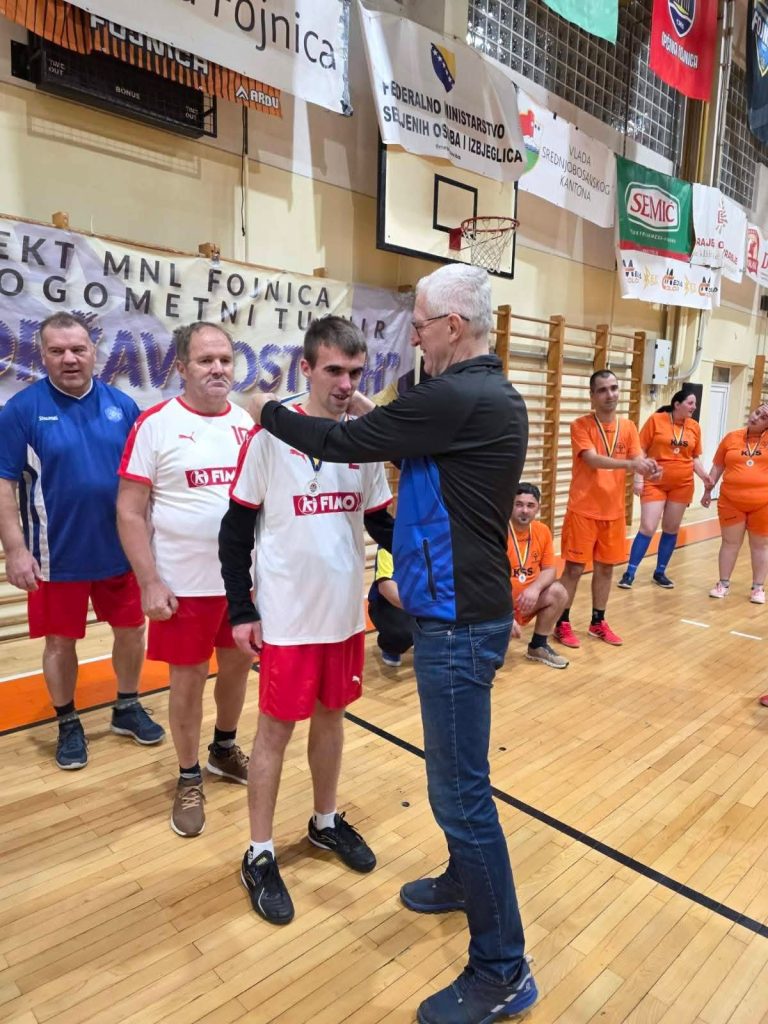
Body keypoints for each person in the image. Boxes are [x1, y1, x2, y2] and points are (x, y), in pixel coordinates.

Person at [245, 265, 538, 1024]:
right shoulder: (483, 395)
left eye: (421, 324)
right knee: (456, 784)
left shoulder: (455, 396)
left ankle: (503, 970)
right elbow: (401, 444)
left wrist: (264, 410)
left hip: (458, 623)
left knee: (461, 795)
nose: (414, 337)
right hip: (459, 612)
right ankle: (462, 880)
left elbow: (344, 441)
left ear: (452, 327)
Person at [219, 316, 393, 926]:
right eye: (334, 371)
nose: (346, 384)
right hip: (287, 619)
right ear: (307, 368)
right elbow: (236, 529)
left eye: (355, 372)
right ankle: (259, 851)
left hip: (343, 616)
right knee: (274, 733)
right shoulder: (270, 436)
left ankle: (323, 821)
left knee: (332, 720)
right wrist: (241, 608)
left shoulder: (364, 439)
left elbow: (381, 522)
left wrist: (431, 564)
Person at [0, 312, 163, 770]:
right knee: (59, 643)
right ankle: (68, 720)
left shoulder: (123, 406)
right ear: (42, 356)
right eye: (57, 351)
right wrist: (15, 550)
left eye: (78, 349)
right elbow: (3, 484)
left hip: (121, 551)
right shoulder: (20, 410)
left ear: (94, 352)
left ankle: (127, 706)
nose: (69, 358)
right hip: (55, 557)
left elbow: (145, 480)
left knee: (132, 631)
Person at [117, 322, 253, 838]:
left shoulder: (246, 423)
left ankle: (223, 749)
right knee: (188, 680)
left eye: (225, 359)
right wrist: (149, 581)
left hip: (241, 584)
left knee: (237, 669)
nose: (218, 369)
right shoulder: (155, 424)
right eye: (205, 360)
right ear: (181, 367)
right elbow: (129, 511)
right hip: (184, 587)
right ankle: (189, 774)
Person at [553, 369, 659, 649]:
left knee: (606, 569)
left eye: (613, 388)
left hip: (613, 512)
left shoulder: (628, 427)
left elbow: (638, 458)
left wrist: (650, 468)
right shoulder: (581, 425)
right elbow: (592, 459)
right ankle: (561, 622)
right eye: (602, 390)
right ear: (592, 396)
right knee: (574, 569)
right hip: (583, 510)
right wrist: (631, 464)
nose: (609, 394)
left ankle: (597, 621)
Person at [619, 387, 712, 589]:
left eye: (695, 404)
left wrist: (705, 476)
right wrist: (638, 478)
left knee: (671, 528)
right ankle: (630, 573)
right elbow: (641, 450)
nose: (694, 407)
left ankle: (660, 572)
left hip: (682, 484)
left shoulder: (694, 427)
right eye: (690, 403)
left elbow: (694, 457)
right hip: (655, 481)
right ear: (677, 404)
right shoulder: (656, 420)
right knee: (648, 527)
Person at [702, 403, 768, 603]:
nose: (756, 417)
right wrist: (708, 490)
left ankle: (758, 588)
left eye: (763, 417)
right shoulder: (731, 437)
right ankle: (723, 584)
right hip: (731, 501)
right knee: (730, 543)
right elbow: (718, 466)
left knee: (760, 546)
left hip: (763, 503)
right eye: (757, 412)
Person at [508, 483, 569, 670]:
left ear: (538, 508)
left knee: (559, 592)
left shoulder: (542, 531)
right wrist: (503, 613)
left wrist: (534, 589)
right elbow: (487, 580)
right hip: (497, 606)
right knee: (494, 658)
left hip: (526, 602)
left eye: (530, 505)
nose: (524, 510)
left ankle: (538, 646)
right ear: (510, 505)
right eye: (519, 504)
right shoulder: (498, 531)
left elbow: (550, 570)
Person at [367, 546, 413, 667]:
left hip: (417, 598)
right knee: (405, 632)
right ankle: (390, 646)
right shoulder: (388, 544)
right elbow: (386, 587)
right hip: (387, 602)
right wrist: (420, 610)